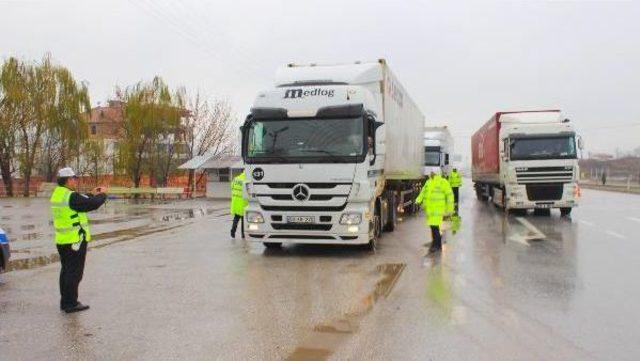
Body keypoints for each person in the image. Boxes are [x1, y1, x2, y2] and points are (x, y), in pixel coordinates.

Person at [50, 167, 107, 313]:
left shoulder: (59, 194)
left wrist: (91, 194)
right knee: (74, 273)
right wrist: (102, 195)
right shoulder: (71, 196)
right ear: (68, 180)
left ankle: (65, 301)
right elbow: (90, 204)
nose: (76, 181)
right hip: (75, 241)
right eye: (74, 178)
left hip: (63, 240)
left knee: (66, 271)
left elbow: (80, 201)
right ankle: (71, 303)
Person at [416, 169, 454, 254]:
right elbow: (423, 192)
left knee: (435, 227)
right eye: (431, 173)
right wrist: (418, 200)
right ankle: (437, 244)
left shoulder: (442, 182)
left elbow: (449, 196)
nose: (431, 174)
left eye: (433, 173)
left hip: (438, 209)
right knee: (433, 227)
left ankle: (436, 245)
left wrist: (449, 209)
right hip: (430, 210)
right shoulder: (429, 182)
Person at [230, 171, 248, 239]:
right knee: (244, 220)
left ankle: (232, 232)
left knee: (236, 218)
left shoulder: (236, 179)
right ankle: (243, 235)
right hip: (243, 203)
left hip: (235, 202)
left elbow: (232, 188)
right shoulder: (246, 180)